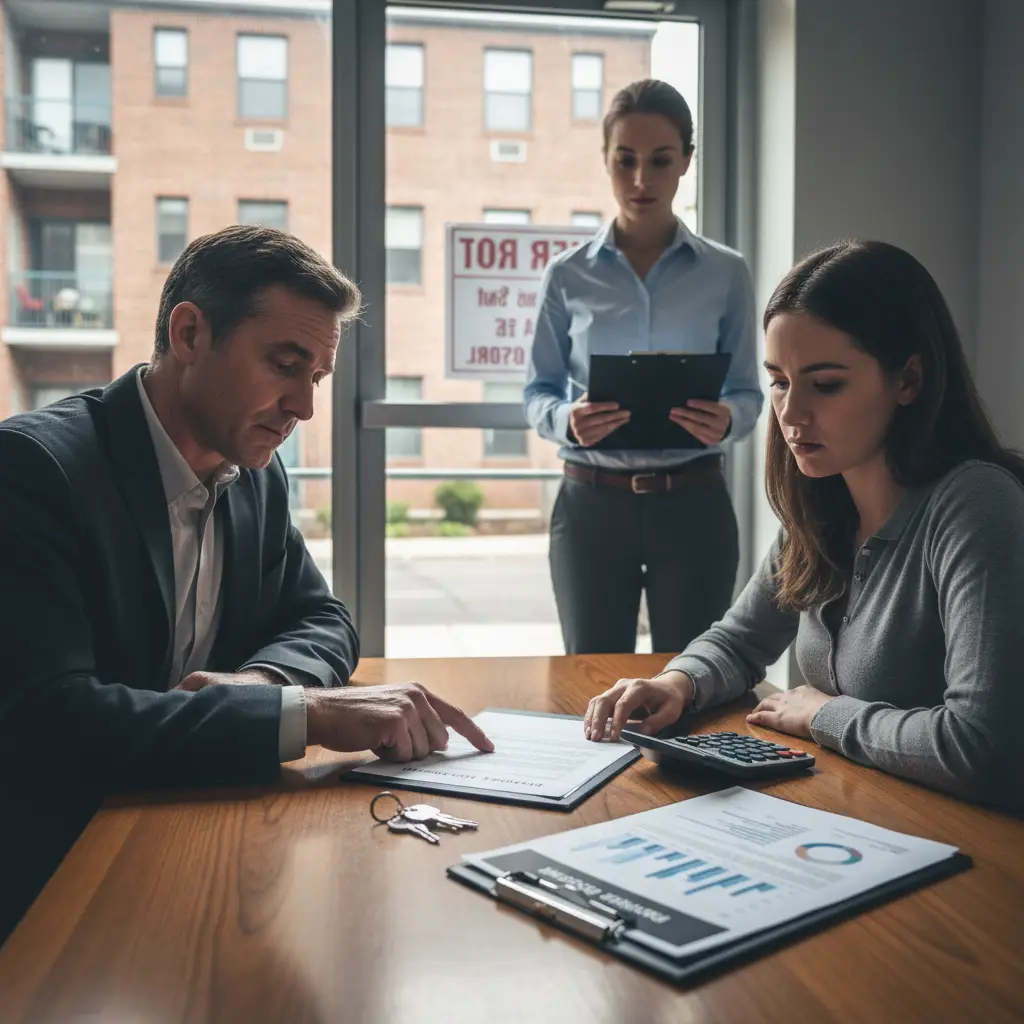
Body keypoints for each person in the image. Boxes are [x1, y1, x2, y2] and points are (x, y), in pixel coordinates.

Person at [0, 225, 493, 940]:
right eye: (284, 365)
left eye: (316, 377)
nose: (305, 407)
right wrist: (307, 715)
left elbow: (324, 619)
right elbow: (52, 722)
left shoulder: (254, 474)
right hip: (56, 871)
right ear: (190, 333)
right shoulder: (35, 472)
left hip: (186, 835)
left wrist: (262, 687)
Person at [584, 239, 1024, 811]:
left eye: (826, 384)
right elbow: (742, 640)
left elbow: (979, 746)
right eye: (780, 381)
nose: (790, 415)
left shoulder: (975, 504)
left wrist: (823, 714)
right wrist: (676, 683)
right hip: (862, 810)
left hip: (973, 846)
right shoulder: (823, 502)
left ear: (909, 380)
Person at [524, 79, 762, 656]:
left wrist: (727, 420)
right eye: (624, 160)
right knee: (590, 678)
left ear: (686, 162)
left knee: (695, 678)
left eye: (660, 160)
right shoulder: (567, 275)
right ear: (605, 161)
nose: (640, 180)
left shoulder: (726, 274)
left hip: (694, 503)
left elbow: (750, 392)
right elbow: (538, 391)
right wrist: (566, 419)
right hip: (590, 508)